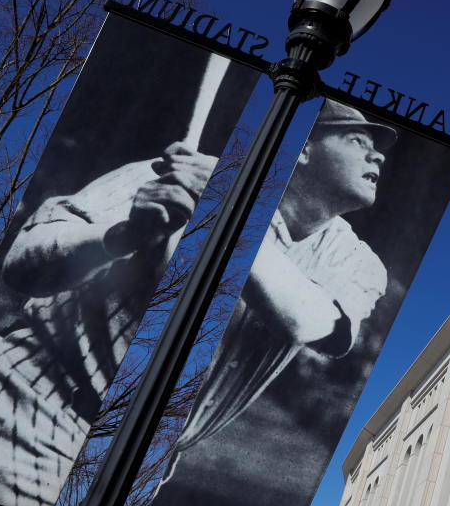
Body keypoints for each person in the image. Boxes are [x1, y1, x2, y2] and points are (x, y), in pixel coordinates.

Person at [0, 142, 217, 506]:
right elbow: (23, 261)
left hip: (102, 447)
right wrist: (123, 234)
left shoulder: (235, 201)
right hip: (11, 393)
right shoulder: (173, 172)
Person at [168, 100, 396, 457]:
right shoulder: (200, 176)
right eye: (356, 141)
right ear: (303, 149)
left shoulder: (360, 262)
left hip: (162, 456)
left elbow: (304, 322)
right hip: (71, 409)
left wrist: (224, 208)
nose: (378, 157)